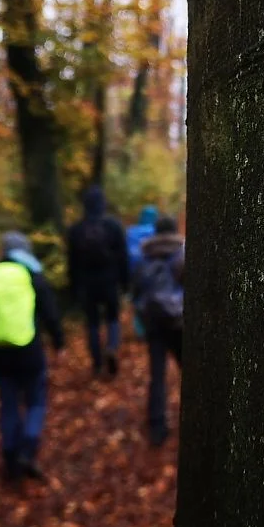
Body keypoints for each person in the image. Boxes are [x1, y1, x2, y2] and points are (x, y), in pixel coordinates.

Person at [0, 231, 64, 483]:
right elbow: (50, 312)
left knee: (9, 405)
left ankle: (10, 457)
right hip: (29, 350)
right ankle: (28, 449)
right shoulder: (32, 275)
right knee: (36, 401)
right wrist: (59, 343)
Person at [67, 185, 129, 378]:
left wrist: (74, 288)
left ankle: (97, 363)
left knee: (92, 323)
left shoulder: (76, 230)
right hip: (110, 280)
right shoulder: (113, 226)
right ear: (102, 203)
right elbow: (123, 257)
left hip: (87, 284)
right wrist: (125, 283)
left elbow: (71, 262)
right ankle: (111, 346)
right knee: (112, 318)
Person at [132, 215, 183, 446]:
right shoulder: (183, 253)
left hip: (154, 323)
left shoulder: (144, 256)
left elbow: (136, 291)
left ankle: (157, 426)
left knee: (157, 375)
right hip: (179, 321)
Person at [125, 204, 159, 337]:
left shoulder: (131, 231)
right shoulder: (156, 230)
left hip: (134, 272)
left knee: (137, 300)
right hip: (153, 272)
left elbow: (125, 253)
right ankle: (151, 327)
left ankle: (139, 330)